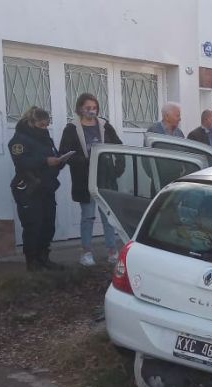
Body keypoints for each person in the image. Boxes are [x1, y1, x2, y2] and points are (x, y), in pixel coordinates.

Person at [59, 92, 123, 266]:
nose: (92, 111)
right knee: (87, 216)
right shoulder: (71, 128)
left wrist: (119, 167)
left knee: (108, 217)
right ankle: (86, 252)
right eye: (88, 108)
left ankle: (112, 251)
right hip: (84, 178)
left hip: (106, 178)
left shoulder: (104, 125)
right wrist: (83, 161)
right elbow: (64, 154)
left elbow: (119, 145)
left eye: (94, 108)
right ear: (80, 108)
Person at [8, 107, 66, 272]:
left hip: (47, 188)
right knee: (33, 226)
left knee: (48, 225)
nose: (45, 128)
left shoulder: (46, 138)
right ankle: (32, 263)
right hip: (29, 189)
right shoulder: (18, 140)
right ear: (31, 123)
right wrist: (45, 161)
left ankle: (44, 258)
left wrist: (60, 161)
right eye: (41, 125)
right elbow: (21, 162)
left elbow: (52, 156)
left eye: (46, 125)